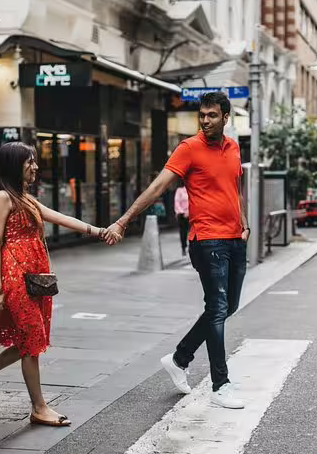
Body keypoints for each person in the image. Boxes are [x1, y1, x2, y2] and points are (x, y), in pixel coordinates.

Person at [104, 92, 249, 409]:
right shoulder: (189, 148)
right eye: (202, 115)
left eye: (212, 115)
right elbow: (158, 187)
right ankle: (220, 384)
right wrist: (124, 220)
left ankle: (180, 358)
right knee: (218, 307)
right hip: (208, 240)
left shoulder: (234, 147)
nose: (206, 120)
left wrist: (246, 223)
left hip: (235, 238)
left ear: (226, 117)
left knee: (226, 307)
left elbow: (235, 189)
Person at [0, 142, 107, 427]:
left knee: (30, 339)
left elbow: (59, 217)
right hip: (15, 276)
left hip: (34, 276)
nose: (35, 167)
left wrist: (97, 230)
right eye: (30, 162)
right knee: (32, 340)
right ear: (16, 164)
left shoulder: (24, 197)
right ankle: (39, 408)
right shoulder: (3, 197)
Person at [174, 181, 189, 256]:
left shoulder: (192, 190)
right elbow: (177, 202)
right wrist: (182, 212)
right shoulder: (179, 190)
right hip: (182, 215)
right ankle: (183, 247)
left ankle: (191, 247)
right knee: (183, 232)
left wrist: (189, 212)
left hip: (191, 214)